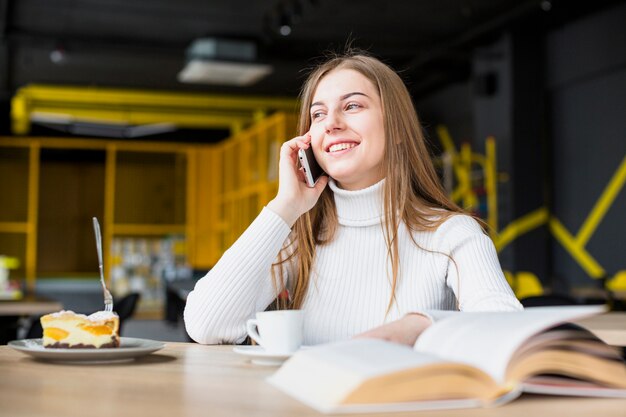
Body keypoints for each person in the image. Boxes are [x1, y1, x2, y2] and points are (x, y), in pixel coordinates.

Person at [184, 51, 522, 347]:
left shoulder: (451, 234)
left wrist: (424, 324)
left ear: (399, 128)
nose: (331, 123)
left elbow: (508, 331)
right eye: (317, 114)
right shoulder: (298, 239)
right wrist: (285, 207)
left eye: (352, 105)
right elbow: (205, 325)